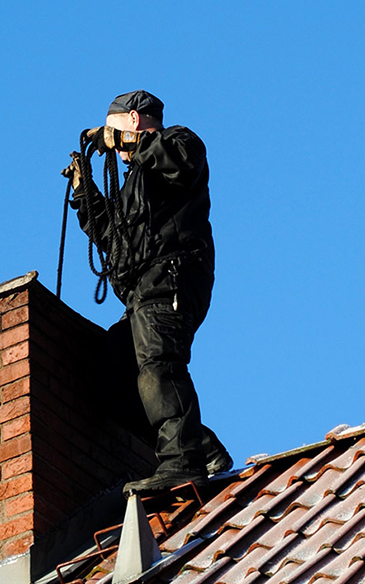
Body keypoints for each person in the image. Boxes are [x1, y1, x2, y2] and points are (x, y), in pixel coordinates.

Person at [65, 89, 232, 495]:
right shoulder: (133, 184)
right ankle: (201, 447)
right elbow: (113, 237)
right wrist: (86, 191)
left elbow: (173, 161)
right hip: (141, 290)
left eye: (115, 132)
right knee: (111, 376)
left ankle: (181, 463)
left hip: (171, 275)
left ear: (135, 121)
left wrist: (119, 140)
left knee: (159, 364)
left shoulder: (180, 142)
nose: (113, 149)